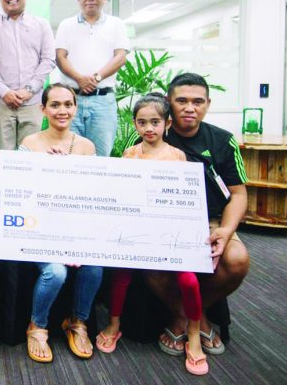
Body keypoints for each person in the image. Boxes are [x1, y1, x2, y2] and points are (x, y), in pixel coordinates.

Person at [96, 93, 208, 375]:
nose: (149, 128)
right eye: (142, 122)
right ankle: (114, 324)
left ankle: (193, 334)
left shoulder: (177, 156)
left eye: (155, 122)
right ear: (135, 124)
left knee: (189, 280)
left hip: (170, 234)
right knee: (121, 272)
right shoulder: (130, 154)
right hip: (137, 231)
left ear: (167, 123)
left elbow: (186, 201)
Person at [149, 73, 249, 358]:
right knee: (149, 262)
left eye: (197, 101)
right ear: (169, 102)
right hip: (161, 220)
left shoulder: (222, 140)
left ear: (208, 104)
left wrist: (226, 230)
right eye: (181, 101)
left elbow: (239, 195)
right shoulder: (151, 131)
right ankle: (194, 320)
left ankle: (189, 315)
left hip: (211, 221)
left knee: (238, 260)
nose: (189, 108)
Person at [19, 83, 102, 363]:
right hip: (40, 229)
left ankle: (77, 322)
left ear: (76, 108)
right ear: (43, 109)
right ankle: (37, 324)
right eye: (54, 105)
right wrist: (49, 171)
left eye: (68, 104)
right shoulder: (30, 144)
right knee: (55, 272)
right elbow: (21, 195)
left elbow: (93, 199)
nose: (62, 110)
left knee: (94, 266)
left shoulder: (87, 147)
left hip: (77, 229)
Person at [55, 0, 130, 157]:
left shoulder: (116, 24)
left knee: (101, 155)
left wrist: (96, 78)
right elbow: (60, 57)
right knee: (68, 154)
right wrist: (80, 79)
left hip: (103, 101)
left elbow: (120, 57)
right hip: (72, 100)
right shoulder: (66, 25)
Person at [0, 0, 56, 150]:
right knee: (5, 157)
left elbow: (48, 59)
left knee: (29, 155)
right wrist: (4, 91)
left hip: (32, 102)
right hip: (1, 103)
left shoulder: (41, 25)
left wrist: (29, 90)